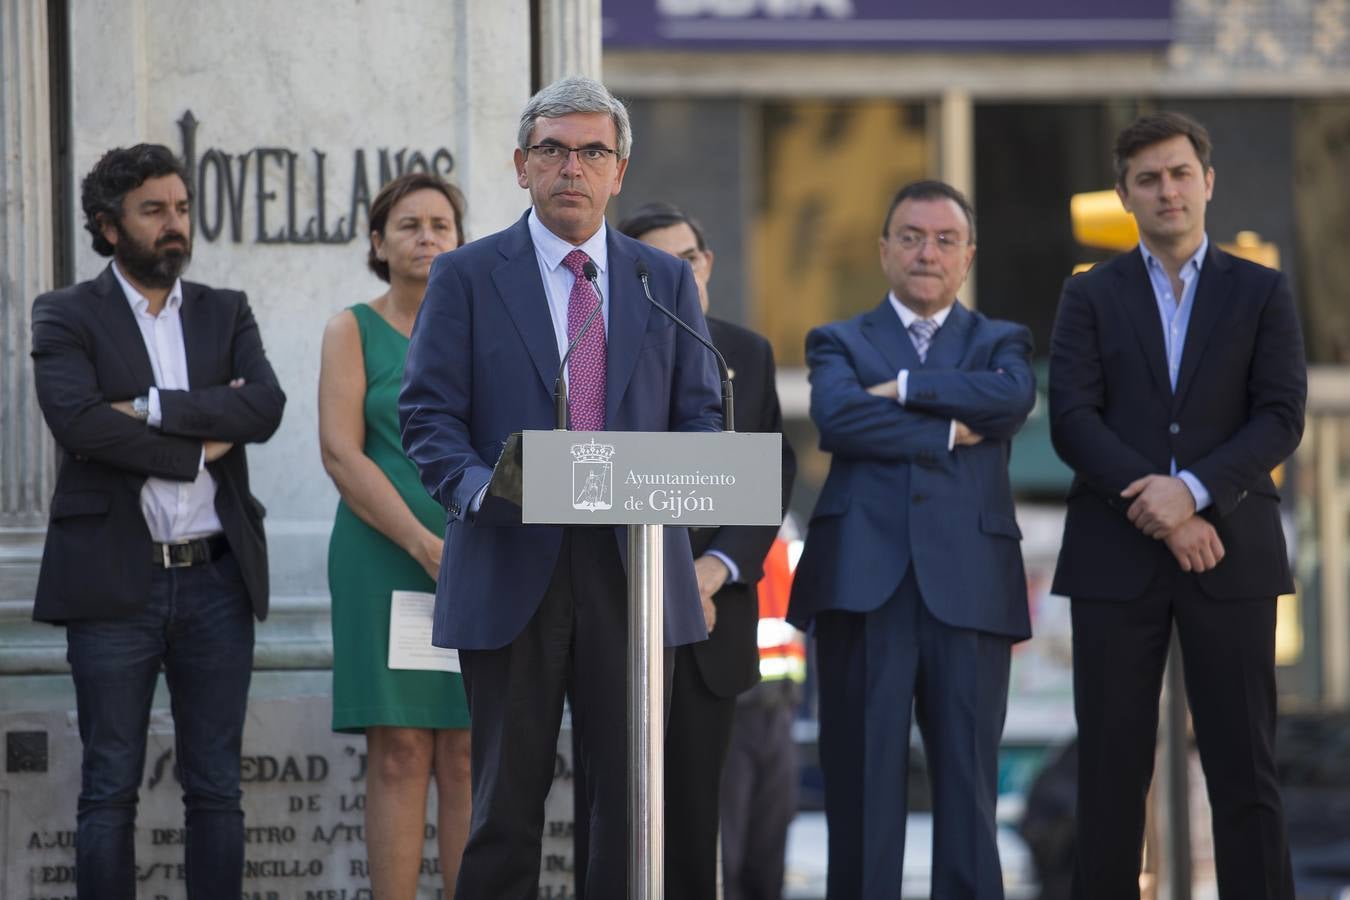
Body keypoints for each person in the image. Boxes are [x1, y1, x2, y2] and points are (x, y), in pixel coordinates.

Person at [397, 76, 723, 899]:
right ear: (520, 166)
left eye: (591, 152)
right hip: (512, 560)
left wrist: (682, 482)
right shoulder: (466, 275)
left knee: (629, 807)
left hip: (634, 569)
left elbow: (700, 417)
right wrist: (477, 492)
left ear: (619, 169)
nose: (570, 167)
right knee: (505, 801)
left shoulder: (662, 281)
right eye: (552, 150)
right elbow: (429, 415)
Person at [1049, 111, 1304, 899]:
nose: (1168, 191)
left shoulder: (1262, 292)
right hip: (1115, 558)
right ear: (1125, 196)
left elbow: (1281, 415)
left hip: (1229, 549)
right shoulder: (1088, 295)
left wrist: (1189, 493)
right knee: (1112, 770)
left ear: (1208, 182)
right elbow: (1071, 419)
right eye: (1149, 179)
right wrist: (1159, 507)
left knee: (1245, 768)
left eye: (1180, 173)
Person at [29, 143, 286, 899]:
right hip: (115, 585)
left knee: (217, 789)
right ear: (110, 228)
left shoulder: (224, 309)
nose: (175, 225)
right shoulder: (65, 313)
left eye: (180, 208)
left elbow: (263, 407)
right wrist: (198, 445)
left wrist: (147, 408)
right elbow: (79, 425)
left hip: (216, 581)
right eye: (154, 211)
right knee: (108, 788)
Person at [788, 179, 1036, 899]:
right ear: (884, 250)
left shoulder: (1002, 342)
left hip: (970, 589)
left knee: (967, 794)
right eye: (911, 237)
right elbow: (838, 419)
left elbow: (1012, 400)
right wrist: (948, 429)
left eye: (944, 239)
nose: (927, 252)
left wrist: (902, 389)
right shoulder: (838, 339)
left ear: (968, 256)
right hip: (864, 587)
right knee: (862, 794)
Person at [597, 202, 796, 900]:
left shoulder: (744, 352)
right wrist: (671, 578)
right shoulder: (601, 352)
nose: (673, 275)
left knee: (695, 821)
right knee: (611, 816)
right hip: (615, 620)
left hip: (715, 626)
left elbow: (770, 475)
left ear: (705, 265)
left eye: (685, 260)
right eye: (653, 265)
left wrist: (711, 574)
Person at [318, 172, 473, 898]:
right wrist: (421, 544)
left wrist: (461, 548)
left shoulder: (482, 326)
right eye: (409, 225)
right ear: (378, 243)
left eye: (441, 224)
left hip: (475, 561)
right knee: (401, 749)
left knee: (469, 752)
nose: (427, 237)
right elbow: (342, 453)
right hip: (385, 560)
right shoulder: (350, 327)